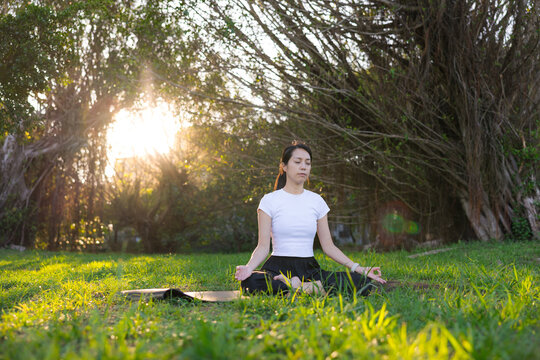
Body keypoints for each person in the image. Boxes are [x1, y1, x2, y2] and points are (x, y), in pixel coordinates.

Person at [235, 141, 386, 297]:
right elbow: (263, 246)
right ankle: (310, 288)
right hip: (277, 265)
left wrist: (358, 268)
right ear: (284, 166)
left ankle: (295, 287)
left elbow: (329, 246)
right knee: (250, 283)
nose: (303, 167)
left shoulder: (317, 201)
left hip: (309, 267)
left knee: (362, 282)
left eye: (308, 163)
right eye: (298, 162)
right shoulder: (269, 200)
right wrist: (248, 267)